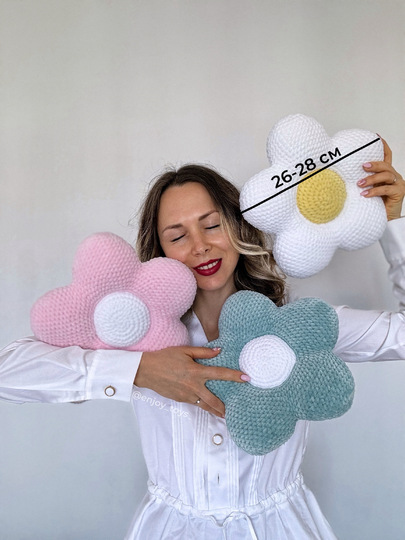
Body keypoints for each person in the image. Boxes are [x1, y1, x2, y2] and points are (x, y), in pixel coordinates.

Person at [1, 138, 404, 539]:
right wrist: (139, 369)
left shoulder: (301, 326)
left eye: (212, 225)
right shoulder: (135, 335)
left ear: (238, 226)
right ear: (159, 250)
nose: (200, 246)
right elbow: (8, 372)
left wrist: (392, 222)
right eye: (177, 237)